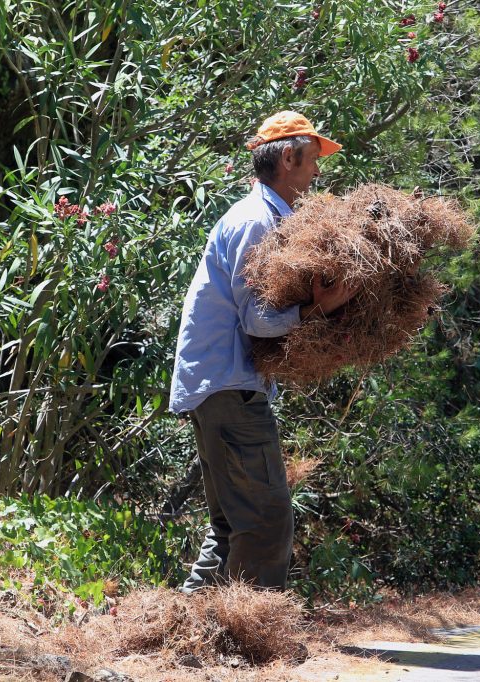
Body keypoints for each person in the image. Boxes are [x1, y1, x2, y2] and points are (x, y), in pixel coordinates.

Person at [170, 111, 357, 591]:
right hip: (231, 388)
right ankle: (254, 635)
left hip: (221, 384)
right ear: (289, 157)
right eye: (314, 161)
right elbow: (258, 320)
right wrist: (318, 310)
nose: (318, 174)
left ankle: (191, 625)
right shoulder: (257, 223)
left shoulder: (268, 216)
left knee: (234, 523)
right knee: (268, 520)